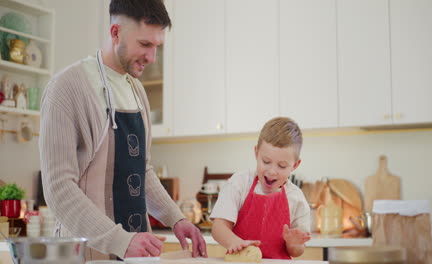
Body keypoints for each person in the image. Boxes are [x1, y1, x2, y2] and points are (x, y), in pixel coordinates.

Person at [39, 0, 206, 260]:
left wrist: (176, 218)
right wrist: (119, 240)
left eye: (157, 46)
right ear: (115, 32)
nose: (152, 57)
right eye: (145, 44)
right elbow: (58, 188)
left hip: (139, 252)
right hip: (87, 253)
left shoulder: (137, 90)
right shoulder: (66, 88)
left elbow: (142, 170)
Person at [210, 117, 312, 259]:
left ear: (295, 165)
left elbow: (296, 252)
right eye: (266, 161)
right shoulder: (239, 183)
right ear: (256, 153)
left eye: (282, 166)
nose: (271, 171)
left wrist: (294, 244)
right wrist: (236, 243)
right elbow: (218, 228)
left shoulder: (296, 199)